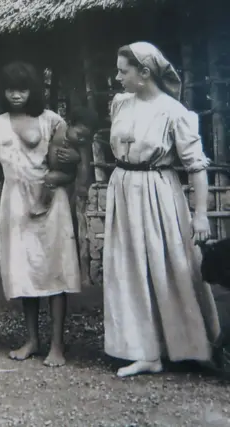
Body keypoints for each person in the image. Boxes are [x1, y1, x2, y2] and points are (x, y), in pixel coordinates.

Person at [103, 41, 220, 377]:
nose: (118, 77)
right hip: (123, 188)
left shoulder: (174, 112)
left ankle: (187, 344)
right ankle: (144, 350)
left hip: (158, 192)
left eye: (124, 71)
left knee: (166, 264)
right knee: (130, 268)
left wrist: (200, 214)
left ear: (144, 73)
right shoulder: (120, 103)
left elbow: (196, 167)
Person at [0, 61, 85, 367]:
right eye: (11, 89)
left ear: (33, 90)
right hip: (14, 202)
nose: (16, 95)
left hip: (50, 199)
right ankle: (31, 339)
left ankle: (57, 345)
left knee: (55, 270)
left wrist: (73, 168)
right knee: (24, 271)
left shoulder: (52, 121)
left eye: (23, 89)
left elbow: (70, 163)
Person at [30, 106, 99, 217]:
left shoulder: (81, 145)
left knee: (50, 178)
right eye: (79, 135)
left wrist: (82, 185)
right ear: (70, 124)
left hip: (66, 174)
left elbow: (85, 165)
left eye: (86, 137)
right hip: (46, 168)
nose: (82, 139)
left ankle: (43, 204)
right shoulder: (58, 130)